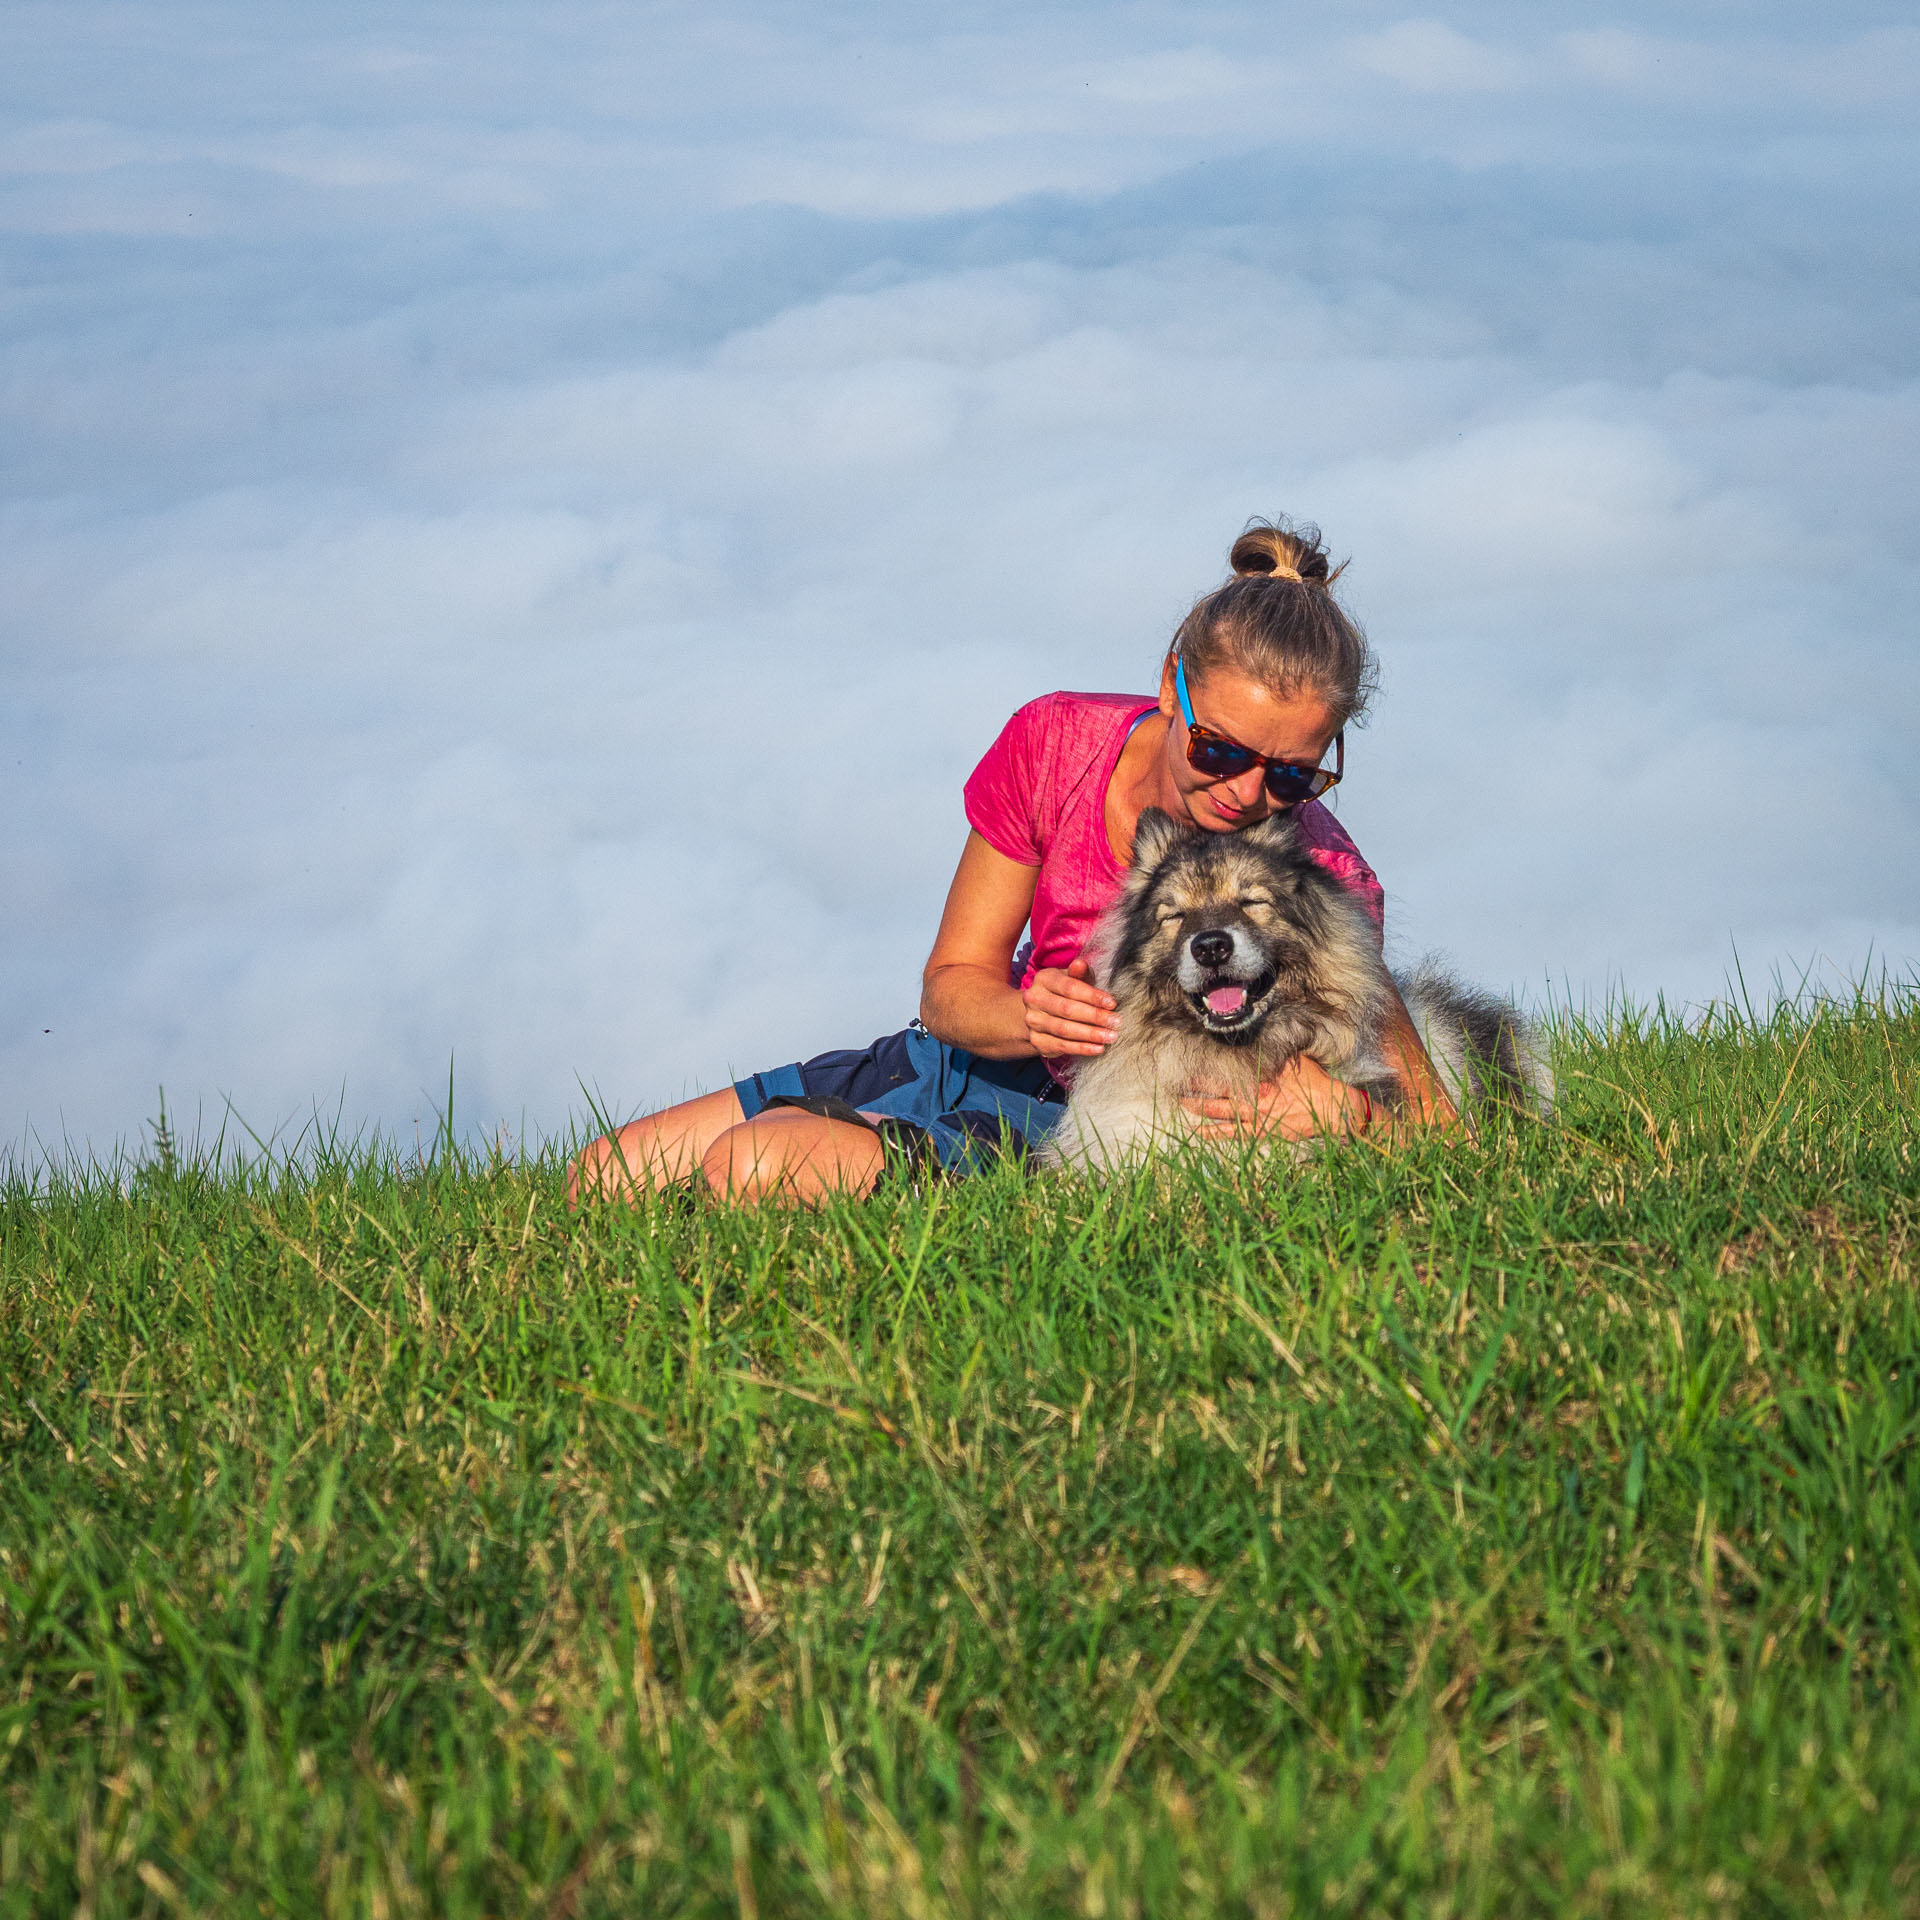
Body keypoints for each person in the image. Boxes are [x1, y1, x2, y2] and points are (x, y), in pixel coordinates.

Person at [568, 518, 1455, 1207]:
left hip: (1078, 1118)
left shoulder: (1324, 878)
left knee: (757, 1168)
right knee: (599, 1183)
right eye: (1222, 752)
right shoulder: (1055, 743)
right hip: (970, 1054)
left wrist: (1354, 1119)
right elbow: (952, 987)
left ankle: (856, 1172)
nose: (1248, 793)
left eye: (1296, 774)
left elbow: (1447, 1137)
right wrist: (1032, 1018)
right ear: (1168, 686)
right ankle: (850, 1139)